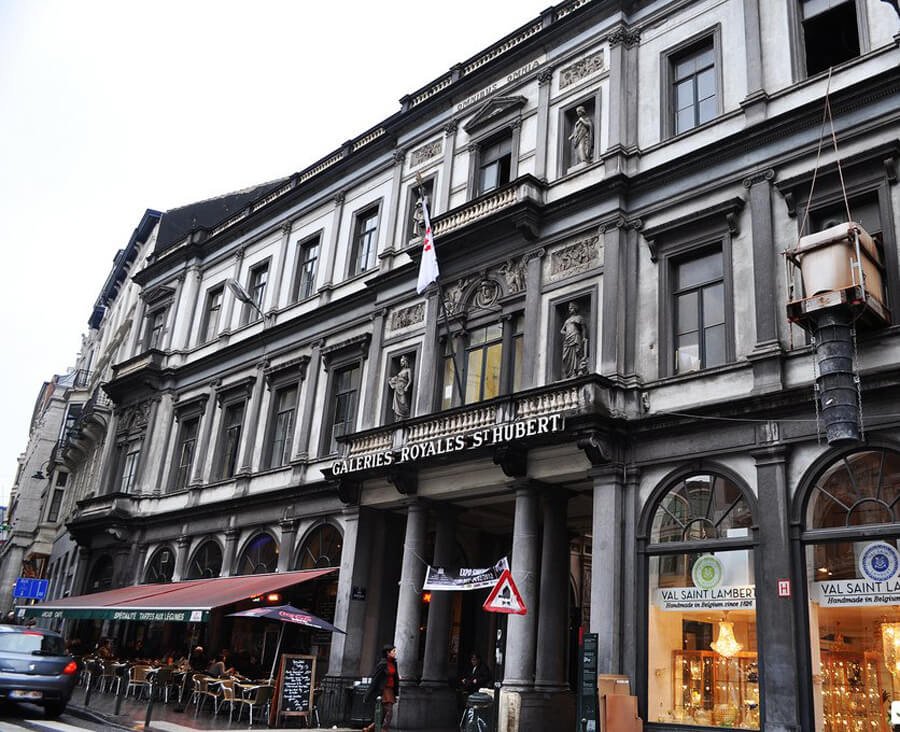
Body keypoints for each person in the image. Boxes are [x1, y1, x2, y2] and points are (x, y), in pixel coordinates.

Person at [364, 645, 400, 732]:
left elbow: (395, 677)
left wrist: (396, 689)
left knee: (383, 712)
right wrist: (368, 694)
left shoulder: (394, 663)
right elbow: (376, 679)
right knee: (389, 711)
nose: (395, 653)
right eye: (393, 651)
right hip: (384, 689)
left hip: (391, 689)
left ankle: (370, 729)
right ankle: (384, 729)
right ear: (388, 653)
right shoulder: (383, 664)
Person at [560, 302, 588, 378]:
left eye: (571, 308)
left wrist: (584, 337)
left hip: (575, 337)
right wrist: (566, 333)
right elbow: (562, 330)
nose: (570, 310)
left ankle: (577, 371)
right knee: (566, 356)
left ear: (575, 309)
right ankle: (569, 373)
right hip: (568, 339)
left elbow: (583, 328)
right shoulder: (567, 321)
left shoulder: (579, 318)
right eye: (569, 308)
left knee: (577, 353)